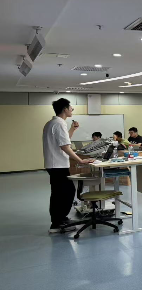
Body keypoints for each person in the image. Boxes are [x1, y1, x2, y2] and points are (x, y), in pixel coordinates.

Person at [43, 98, 94, 233]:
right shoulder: (59, 124)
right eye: (71, 107)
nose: (72, 109)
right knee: (66, 192)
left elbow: (64, 140)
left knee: (59, 193)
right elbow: (65, 146)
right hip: (57, 164)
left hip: (54, 164)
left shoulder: (52, 123)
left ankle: (59, 220)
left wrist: (73, 129)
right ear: (65, 109)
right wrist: (80, 160)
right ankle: (58, 223)